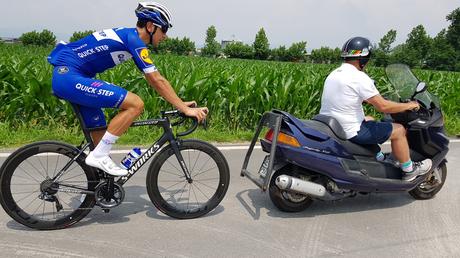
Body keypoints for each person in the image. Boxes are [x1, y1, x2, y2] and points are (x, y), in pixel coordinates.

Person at [47, 2, 208, 177]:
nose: (165, 36)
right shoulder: (135, 41)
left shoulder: (128, 35)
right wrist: (183, 109)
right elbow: (156, 79)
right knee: (136, 104)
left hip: (70, 77)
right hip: (70, 77)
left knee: (100, 134)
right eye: (164, 29)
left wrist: (180, 103)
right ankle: (99, 156)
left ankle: (98, 187)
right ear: (150, 26)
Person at [319, 36, 431, 181]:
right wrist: (410, 105)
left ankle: (377, 157)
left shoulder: (334, 74)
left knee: (370, 119)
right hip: (350, 130)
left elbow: (349, 95)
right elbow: (383, 106)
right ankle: (409, 170)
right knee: (399, 130)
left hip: (333, 124)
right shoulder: (359, 77)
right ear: (364, 59)